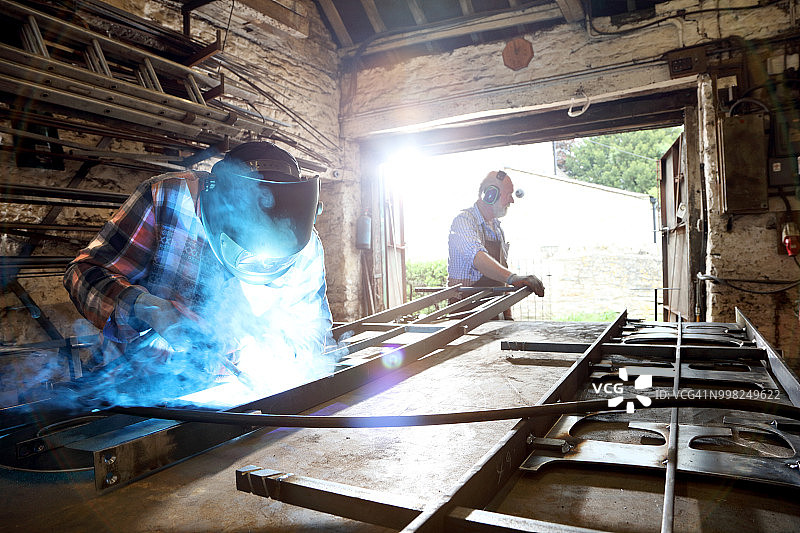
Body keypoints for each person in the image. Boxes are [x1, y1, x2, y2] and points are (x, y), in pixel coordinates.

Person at [63, 141, 332, 397]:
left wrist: (284, 354)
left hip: (232, 393)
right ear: (215, 205)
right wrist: (149, 308)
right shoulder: (166, 198)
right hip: (134, 387)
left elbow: (313, 327)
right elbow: (82, 273)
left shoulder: (305, 245)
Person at [447, 170, 545, 317]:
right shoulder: (464, 221)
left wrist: (508, 316)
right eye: (508, 194)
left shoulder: (497, 229)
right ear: (490, 195)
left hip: (493, 311)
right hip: (465, 314)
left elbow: (501, 275)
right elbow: (478, 257)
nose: (511, 200)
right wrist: (514, 278)